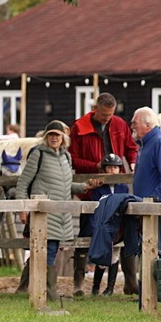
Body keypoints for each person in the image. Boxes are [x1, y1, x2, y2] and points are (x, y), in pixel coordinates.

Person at [15, 120, 102, 302]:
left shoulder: (66, 157)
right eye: (51, 135)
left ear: (63, 138)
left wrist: (84, 187)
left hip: (61, 213)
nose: (54, 138)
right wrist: (22, 208)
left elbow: (65, 185)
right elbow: (23, 182)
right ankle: (50, 292)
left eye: (58, 135)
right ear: (46, 137)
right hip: (43, 211)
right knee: (49, 250)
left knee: (45, 250)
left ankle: (27, 289)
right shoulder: (38, 154)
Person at [68, 93, 137, 296]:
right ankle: (79, 282)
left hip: (117, 186)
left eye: (111, 114)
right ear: (95, 108)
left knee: (123, 234)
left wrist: (132, 163)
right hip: (91, 189)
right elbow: (72, 158)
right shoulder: (80, 127)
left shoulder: (120, 125)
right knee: (86, 234)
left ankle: (130, 283)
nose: (107, 118)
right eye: (104, 114)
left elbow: (131, 148)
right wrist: (94, 168)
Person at [131, 106, 161, 251]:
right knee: (147, 252)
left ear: (147, 125)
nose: (132, 126)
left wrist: (152, 200)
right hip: (149, 208)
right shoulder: (147, 144)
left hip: (159, 209)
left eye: (135, 122)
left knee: (158, 253)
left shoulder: (160, 143)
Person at [90, 153, 128, 296]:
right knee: (101, 256)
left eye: (115, 168)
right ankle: (95, 287)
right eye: (109, 167)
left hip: (117, 226)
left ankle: (110, 288)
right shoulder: (99, 188)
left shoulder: (123, 187)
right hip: (102, 225)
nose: (112, 170)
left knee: (114, 256)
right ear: (104, 169)